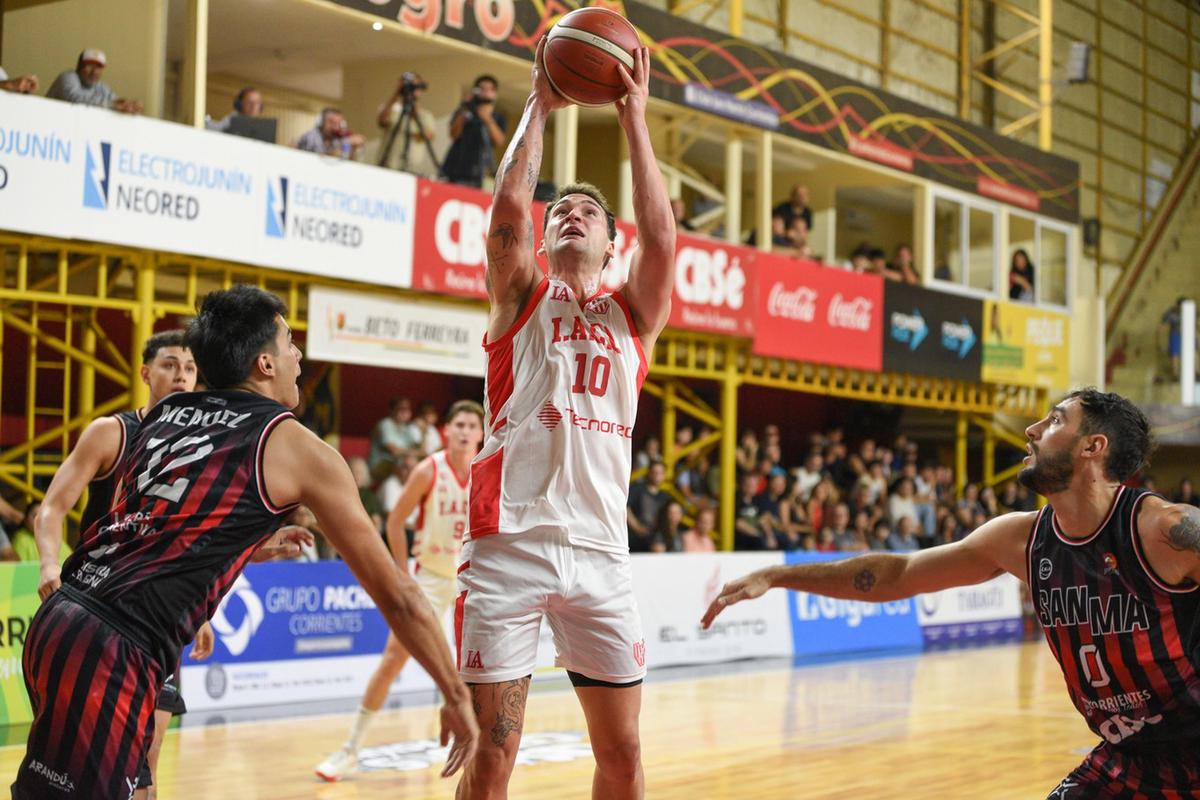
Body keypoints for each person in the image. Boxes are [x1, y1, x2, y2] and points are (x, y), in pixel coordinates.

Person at [13, 286, 478, 799]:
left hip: (64, 622)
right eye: (289, 343)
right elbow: (396, 594)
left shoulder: (167, 416)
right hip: (114, 647)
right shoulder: (296, 446)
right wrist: (455, 694)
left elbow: (144, 527)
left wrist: (246, 547)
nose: (298, 355)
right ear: (265, 363)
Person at [704, 388, 1200, 799]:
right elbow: (900, 574)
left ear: (1094, 447)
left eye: (1054, 420)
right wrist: (779, 575)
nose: (1032, 430)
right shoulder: (1021, 539)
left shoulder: (1163, 531)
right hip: (1126, 761)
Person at [455, 39, 673, 800]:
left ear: (613, 244)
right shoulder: (520, 297)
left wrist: (634, 117)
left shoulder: (633, 315)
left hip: (600, 552)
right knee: (492, 758)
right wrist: (540, 103)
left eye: (589, 212)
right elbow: (508, 210)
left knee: (623, 758)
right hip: (508, 544)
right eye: (562, 212)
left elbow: (666, 235)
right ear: (544, 241)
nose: (571, 215)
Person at [27, 330, 292, 799]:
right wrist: (50, 564)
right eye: (170, 365)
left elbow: (194, 543)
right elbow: (49, 509)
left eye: (190, 368)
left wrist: (200, 612)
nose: (181, 376)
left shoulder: (202, 445)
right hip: (99, 617)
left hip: (154, 625)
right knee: (99, 771)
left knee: (146, 762)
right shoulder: (114, 432)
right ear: (147, 373)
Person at [316, 400, 484, 781]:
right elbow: (394, 522)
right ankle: (350, 749)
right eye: (458, 423)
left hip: (469, 579)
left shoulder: (484, 471)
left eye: (471, 425)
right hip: (429, 578)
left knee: (478, 666)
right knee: (394, 659)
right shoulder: (429, 469)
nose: (463, 430)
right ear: (447, 430)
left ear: (480, 433)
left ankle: (480, 748)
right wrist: (402, 572)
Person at [441, 74, 507, 188]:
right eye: (482, 89)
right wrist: (465, 108)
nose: (485, 92)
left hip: (480, 173)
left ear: (495, 93)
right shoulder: (464, 111)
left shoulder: (498, 118)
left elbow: (500, 141)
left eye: (489, 89)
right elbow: (453, 133)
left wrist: (487, 119)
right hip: (455, 169)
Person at [376, 73, 438, 177]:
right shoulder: (393, 109)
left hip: (412, 170)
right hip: (388, 166)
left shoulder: (426, 115)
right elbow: (382, 121)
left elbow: (428, 136)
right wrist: (396, 94)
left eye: (415, 87)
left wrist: (415, 113)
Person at [46, 48, 142, 113]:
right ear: (79, 66)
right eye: (90, 66)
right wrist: (113, 105)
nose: (94, 72)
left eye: (99, 67)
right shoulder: (68, 77)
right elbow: (75, 98)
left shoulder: (101, 87)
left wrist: (129, 106)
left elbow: (115, 102)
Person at [295, 107, 365, 158]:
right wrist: (343, 145)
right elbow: (320, 160)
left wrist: (353, 149)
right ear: (321, 122)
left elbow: (346, 159)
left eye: (339, 123)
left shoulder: (338, 139)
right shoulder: (311, 137)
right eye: (331, 122)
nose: (336, 127)